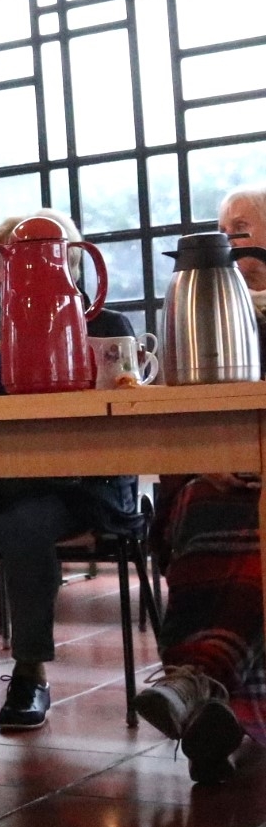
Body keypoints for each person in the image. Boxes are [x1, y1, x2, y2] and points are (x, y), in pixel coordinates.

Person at [0, 210, 139, 747]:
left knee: (25, 525)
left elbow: (119, 420)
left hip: (76, 483)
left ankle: (31, 672)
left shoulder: (105, 324)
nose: (0, 275)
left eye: (8, 261)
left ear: (66, 258)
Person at [136, 187, 266, 782]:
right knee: (197, 499)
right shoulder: (218, 309)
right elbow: (183, 411)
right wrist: (207, 454)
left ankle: (200, 684)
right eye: (225, 232)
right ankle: (222, 708)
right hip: (223, 480)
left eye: (241, 230)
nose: (232, 245)